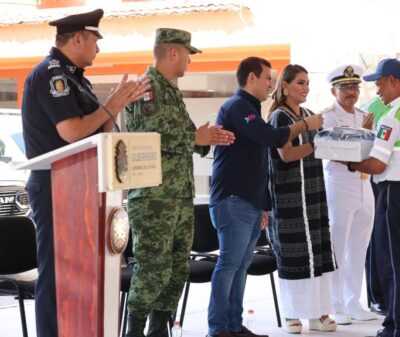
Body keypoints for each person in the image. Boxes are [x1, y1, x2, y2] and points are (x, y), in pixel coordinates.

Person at [20, 9, 150, 337]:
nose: (98, 48)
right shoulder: (53, 75)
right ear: (77, 37)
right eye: (94, 40)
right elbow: (71, 132)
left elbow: (99, 131)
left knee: (82, 270)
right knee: (56, 273)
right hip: (55, 184)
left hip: (84, 183)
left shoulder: (77, 77)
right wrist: (110, 105)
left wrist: (116, 104)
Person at [123, 28, 235, 337]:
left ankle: (159, 329)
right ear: (174, 52)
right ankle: (133, 331)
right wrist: (194, 137)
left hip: (180, 196)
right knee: (153, 270)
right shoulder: (146, 88)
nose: (189, 61)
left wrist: (206, 138)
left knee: (175, 270)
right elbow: (148, 135)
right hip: (153, 199)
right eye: (187, 54)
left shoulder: (170, 91)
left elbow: (183, 138)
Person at [208, 57, 323, 337]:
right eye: (267, 78)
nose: (271, 84)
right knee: (229, 263)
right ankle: (218, 327)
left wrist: (262, 205)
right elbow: (270, 137)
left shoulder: (250, 109)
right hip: (232, 200)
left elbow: (258, 161)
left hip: (248, 201)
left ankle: (233, 325)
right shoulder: (237, 107)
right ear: (251, 78)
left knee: (241, 264)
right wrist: (304, 125)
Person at [343, 58, 400, 337]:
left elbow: (378, 165)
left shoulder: (392, 116)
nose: (378, 90)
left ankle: (397, 327)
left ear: (394, 81)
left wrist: (349, 162)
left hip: (394, 195)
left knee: (394, 265)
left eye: (380, 83)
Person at [266, 64, 336, 334]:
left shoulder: (309, 114)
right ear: (284, 86)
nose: (306, 88)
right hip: (289, 197)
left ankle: (319, 314)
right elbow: (287, 155)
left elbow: (319, 149)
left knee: (316, 252)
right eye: (300, 83)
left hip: (314, 192)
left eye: (307, 83)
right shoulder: (279, 118)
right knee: (294, 255)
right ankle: (292, 313)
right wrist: (318, 143)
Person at [321, 64, 377, 324]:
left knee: (359, 247)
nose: (351, 92)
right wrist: (363, 135)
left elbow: (372, 151)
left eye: (354, 87)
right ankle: (336, 304)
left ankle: (354, 301)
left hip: (365, 184)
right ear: (334, 90)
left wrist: (365, 136)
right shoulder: (328, 117)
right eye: (345, 87)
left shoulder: (364, 114)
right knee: (338, 246)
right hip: (340, 184)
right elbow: (336, 151)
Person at [360, 96, 388, 316]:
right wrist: (367, 132)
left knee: (387, 243)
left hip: (392, 181)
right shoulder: (369, 109)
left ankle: (389, 294)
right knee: (375, 242)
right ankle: (376, 297)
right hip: (371, 181)